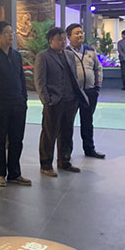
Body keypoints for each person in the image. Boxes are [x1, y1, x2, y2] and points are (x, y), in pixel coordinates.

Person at [0, 21, 32, 188]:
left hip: (18, 104)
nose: (11, 35)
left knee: (17, 140)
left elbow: (21, 79)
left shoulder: (16, 55)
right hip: (1, 106)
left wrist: (24, 100)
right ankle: (0, 174)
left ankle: (15, 173)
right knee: (0, 140)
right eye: (7, 32)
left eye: (12, 32)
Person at [34, 27, 89, 177]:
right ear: (50, 41)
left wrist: (76, 97)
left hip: (70, 101)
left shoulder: (69, 55)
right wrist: (47, 100)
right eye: (60, 39)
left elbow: (74, 77)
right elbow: (39, 81)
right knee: (49, 134)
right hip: (54, 101)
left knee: (67, 132)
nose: (63, 42)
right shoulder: (43, 57)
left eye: (64, 39)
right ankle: (46, 164)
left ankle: (65, 161)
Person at [65, 23, 106, 159]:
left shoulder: (90, 50)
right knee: (67, 124)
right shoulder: (65, 53)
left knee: (87, 122)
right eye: (76, 33)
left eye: (81, 32)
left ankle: (89, 149)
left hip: (89, 92)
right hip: (72, 94)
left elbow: (98, 69)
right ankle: (66, 153)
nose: (80, 35)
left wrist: (97, 88)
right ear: (69, 37)